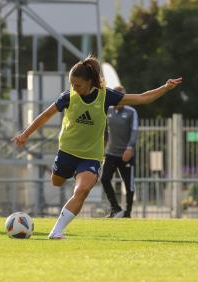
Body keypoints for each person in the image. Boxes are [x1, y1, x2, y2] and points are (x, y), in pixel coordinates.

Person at [12, 55, 182, 239]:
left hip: (91, 156)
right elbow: (45, 116)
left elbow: (141, 98)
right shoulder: (68, 97)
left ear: (90, 82)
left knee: (82, 190)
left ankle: (56, 231)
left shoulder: (106, 96)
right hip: (67, 151)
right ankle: (71, 177)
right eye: (72, 84)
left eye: (78, 85)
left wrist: (165, 88)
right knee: (57, 182)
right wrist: (25, 135)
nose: (74, 88)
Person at [101, 86, 138, 218]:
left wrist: (130, 148)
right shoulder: (108, 110)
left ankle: (127, 213)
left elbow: (134, 132)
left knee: (129, 185)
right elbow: (104, 131)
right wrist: (102, 149)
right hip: (111, 153)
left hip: (126, 154)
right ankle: (115, 208)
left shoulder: (131, 112)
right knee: (104, 179)